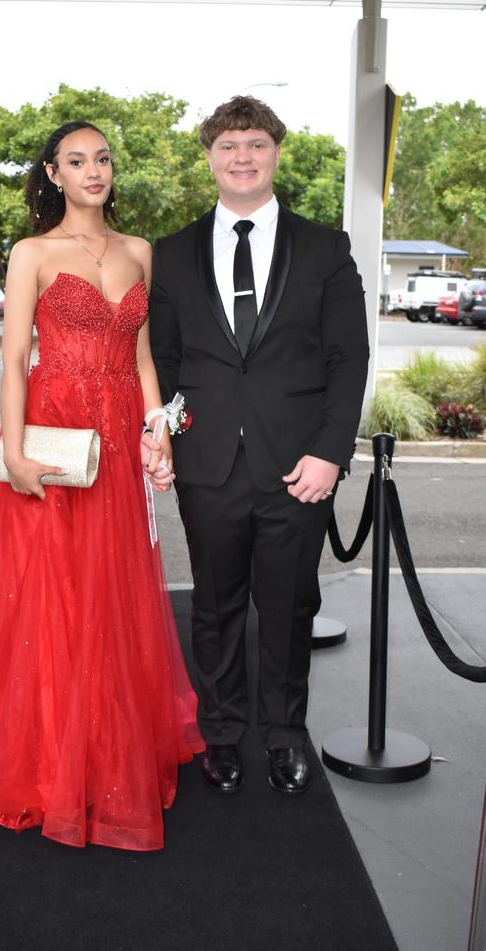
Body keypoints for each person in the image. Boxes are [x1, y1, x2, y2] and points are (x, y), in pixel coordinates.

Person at [0, 120, 203, 851]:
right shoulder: (31, 253)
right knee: (51, 595)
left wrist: (159, 432)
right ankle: (48, 759)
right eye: (77, 161)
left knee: (111, 596)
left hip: (119, 440)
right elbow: (14, 359)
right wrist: (16, 453)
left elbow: (145, 357)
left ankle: (103, 753)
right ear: (53, 174)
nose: (94, 171)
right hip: (55, 434)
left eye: (104, 159)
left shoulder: (139, 252)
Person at [149, 96, 369, 797]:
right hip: (207, 464)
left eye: (256, 144)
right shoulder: (173, 253)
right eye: (228, 145)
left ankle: (282, 731)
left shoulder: (326, 248)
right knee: (213, 606)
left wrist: (331, 452)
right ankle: (220, 732)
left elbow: (349, 358)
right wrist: (166, 435)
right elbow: (167, 363)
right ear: (209, 156)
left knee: (287, 604)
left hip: (297, 464)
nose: (242, 157)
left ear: (276, 153)